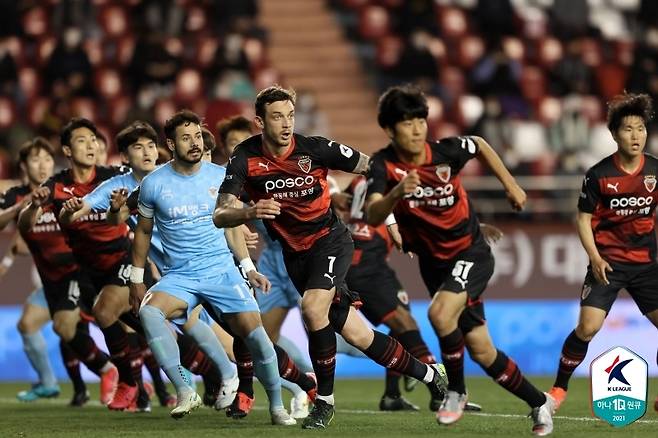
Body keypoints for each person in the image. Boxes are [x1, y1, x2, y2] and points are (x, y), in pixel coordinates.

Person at [214, 85, 448, 430]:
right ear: (259, 122)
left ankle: (323, 402)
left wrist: (393, 218)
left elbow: (376, 169)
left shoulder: (317, 149)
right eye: (277, 117)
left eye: (290, 115)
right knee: (358, 335)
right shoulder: (244, 158)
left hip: (330, 242)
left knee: (312, 309)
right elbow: (220, 214)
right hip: (294, 255)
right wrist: (249, 213)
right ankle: (431, 375)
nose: (286, 123)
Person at [365, 85, 554, 435]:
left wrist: (510, 185)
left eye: (420, 119)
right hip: (433, 265)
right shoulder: (383, 165)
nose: (417, 128)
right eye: (406, 122)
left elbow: (479, 144)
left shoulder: (446, 151)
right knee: (482, 351)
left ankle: (456, 391)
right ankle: (540, 402)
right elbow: (373, 214)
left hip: (471, 253)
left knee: (438, 313)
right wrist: (395, 194)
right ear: (390, 130)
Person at [129, 110, 296, 425]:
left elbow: (232, 227)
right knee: (149, 311)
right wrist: (137, 280)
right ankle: (184, 389)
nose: (194, 143)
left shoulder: (221, 176)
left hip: (222, 272)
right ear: (171, 143)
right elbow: (143, 232)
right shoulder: (153, 184)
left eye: (197, 136)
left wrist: (248, 269)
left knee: (257, 338)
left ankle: (277, 406)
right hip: (179, 276)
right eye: (185, 138)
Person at [19, 118, 147, 412]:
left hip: (121, 262)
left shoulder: (113, 177)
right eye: (82, 140)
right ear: (66, 149)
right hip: (84, 272)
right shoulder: (56, 186)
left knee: (124, 320)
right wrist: (34, 206)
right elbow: (25, 227)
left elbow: (142, 195)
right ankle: (128, 383)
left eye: (94, 139)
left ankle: (130, 382)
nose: (91, 145)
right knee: (142, 326)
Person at [547, 92, 658, 412]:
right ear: (613, 134)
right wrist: (595, 258)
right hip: (607, 265)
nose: (636, 136)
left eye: (641, 128)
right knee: (587, 328)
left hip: (646, 265)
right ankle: (558, 390)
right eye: (628, 129)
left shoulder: (655, 170)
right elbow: (582, 218)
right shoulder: (598, 174)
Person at [12, 137, 118, 406]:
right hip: (50, 283)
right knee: (30, 325)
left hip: (77, 273)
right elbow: (18, 237)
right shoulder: (17, 197)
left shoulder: (62, 191)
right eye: (35, 159)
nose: (43, 164)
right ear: (23, 166)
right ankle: (52, 383)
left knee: (70, 326)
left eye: (47, 158)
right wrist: (23, 206)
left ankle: (117, 373)